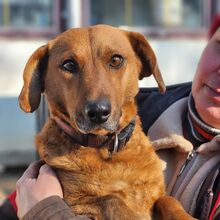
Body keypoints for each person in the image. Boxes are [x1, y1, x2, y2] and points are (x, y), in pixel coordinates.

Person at [1, 27, 220, 220]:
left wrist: (45, 212)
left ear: (140, 66)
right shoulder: (154, 112)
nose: (97, 104)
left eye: (115, 61)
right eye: (70, 66)